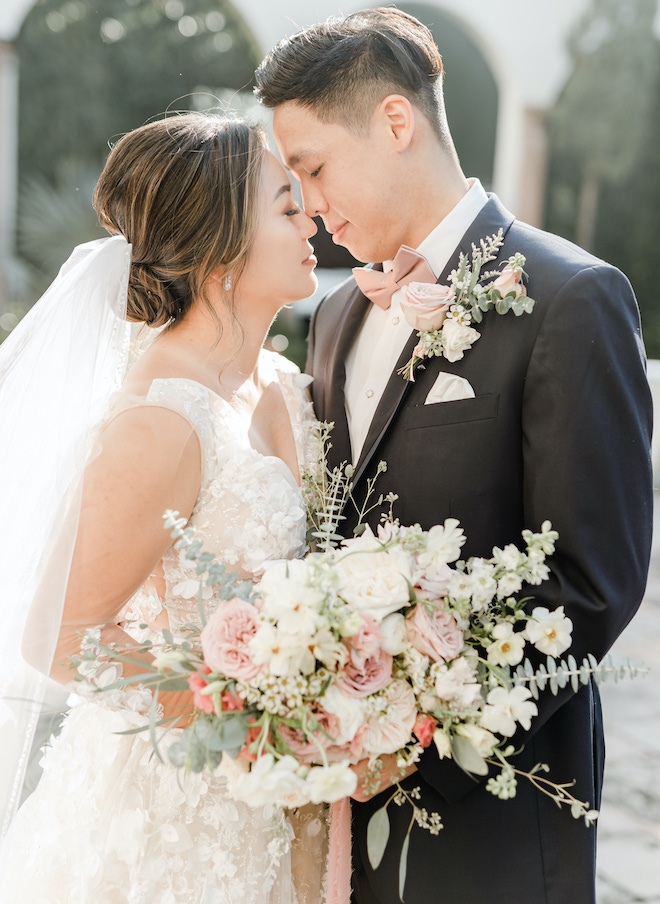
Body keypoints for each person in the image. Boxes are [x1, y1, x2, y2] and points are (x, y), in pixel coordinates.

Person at [254, 8, 654, 904]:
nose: (309, 204)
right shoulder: (334, 317)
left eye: (313, 168)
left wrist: (406, 734)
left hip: (497, 816)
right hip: (339, 817)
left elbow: (594, 582)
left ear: (396, 123)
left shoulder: (569, 297)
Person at [0, 112, 328, 903]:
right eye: (286, 206)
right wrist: (240, 708)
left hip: (282, 802)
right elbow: (60, 634)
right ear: (221, 251)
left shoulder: (281, 381)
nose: (311, 216)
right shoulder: (162, 419)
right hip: (171, 810)